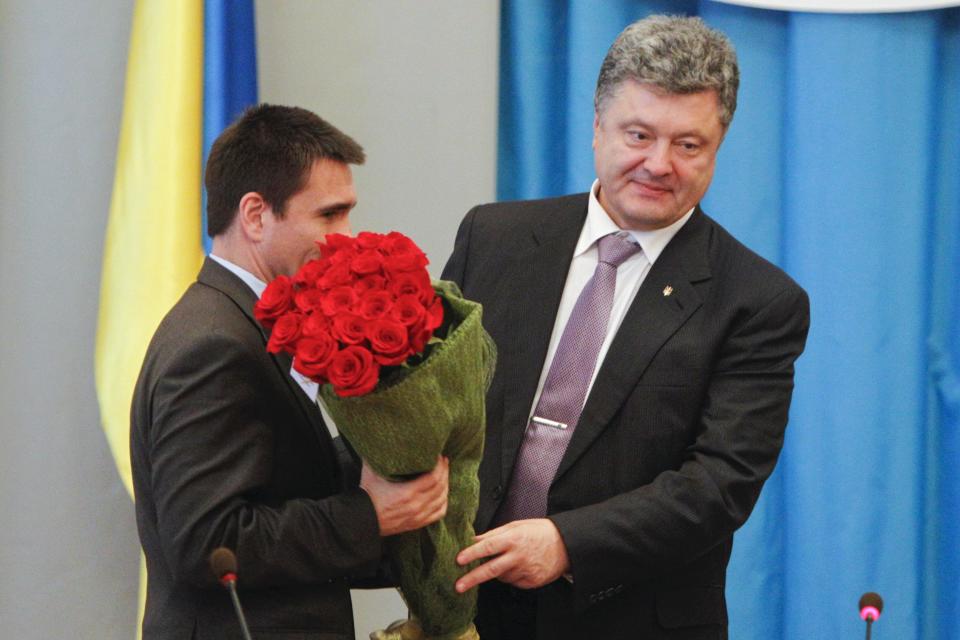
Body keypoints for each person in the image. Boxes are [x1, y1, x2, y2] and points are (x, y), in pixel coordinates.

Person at [443, 15, 810, 640]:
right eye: (638, 134)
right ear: (596, 128)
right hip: (469, 603)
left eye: (688, 145)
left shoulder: (757, 301)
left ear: (718, 146)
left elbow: (720, 484)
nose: (659, 164)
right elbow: (435, 402)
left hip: (630, 616)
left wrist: (568, 542)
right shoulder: (493, 237)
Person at [130, 104, 449, 640]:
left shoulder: (237, 322)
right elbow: (209, 543)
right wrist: (369, 516)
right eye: (329, 215)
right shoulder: (213, 344)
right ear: (255, 215)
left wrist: (397, 451)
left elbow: (280, 487)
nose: (346, 237)